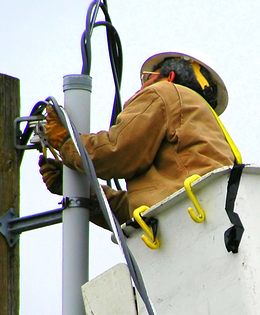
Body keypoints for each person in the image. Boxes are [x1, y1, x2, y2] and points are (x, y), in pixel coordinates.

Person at [39, 52, 238, 228]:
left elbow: (116, 152)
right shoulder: (213, 141)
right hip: (198, 223)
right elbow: (138, 212)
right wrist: (81, 191)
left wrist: (67, 142)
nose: (142, 88)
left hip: (186, 222)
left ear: (169, 77)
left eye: (148, 78)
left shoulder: (164, 92)